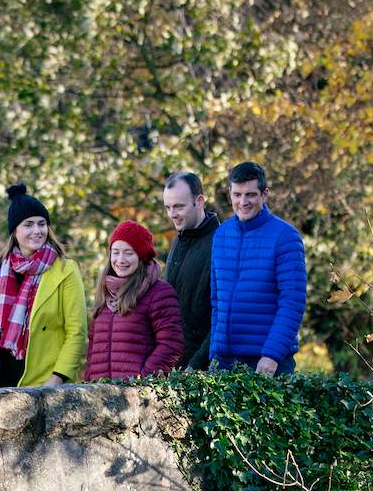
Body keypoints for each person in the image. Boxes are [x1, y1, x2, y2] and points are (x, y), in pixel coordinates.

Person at [0, 183, 86, 387]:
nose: (37, 231)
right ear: (15, 230)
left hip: (46, 383)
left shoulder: (65, 269)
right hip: (3, 383)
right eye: (28, 224)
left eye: (41, 223)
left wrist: (55, 380)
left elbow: (76, 331)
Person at [208, 161, 306, 376]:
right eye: (237, 194)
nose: (243, 202)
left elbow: (292, 302)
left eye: (250, 195)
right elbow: (217, 302)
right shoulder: (221, 235)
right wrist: (214, 354)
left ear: (264, 195)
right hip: (224, 362)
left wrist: (272, 355)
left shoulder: (285, 237)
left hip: (267, 362)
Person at [84, 220, 184, 381]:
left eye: (128, 253)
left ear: (141, 256)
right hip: (99, 398)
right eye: (115, 252)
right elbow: (93, 350)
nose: (120, 260)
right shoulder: (104, 292)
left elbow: (171, 345)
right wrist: (89, 382)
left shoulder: (159, 293)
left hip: (136, 399)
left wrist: (141, 382)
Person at [161, 171, 219, 371]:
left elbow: (223, 315)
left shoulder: (219, 244)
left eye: (179, 206)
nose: (172, 214)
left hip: (203, 370)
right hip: (173, 367)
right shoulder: (178, 241)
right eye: (168, 207)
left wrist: (196, 364)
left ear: (200, 201)